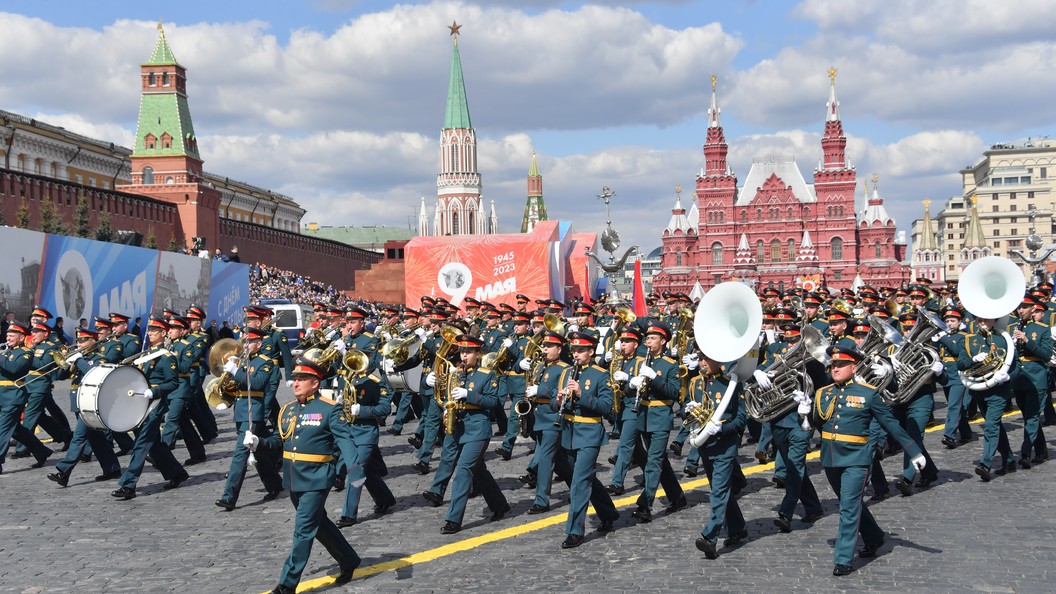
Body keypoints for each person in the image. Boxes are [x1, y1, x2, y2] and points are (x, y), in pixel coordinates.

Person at [808, 344, 925, 576]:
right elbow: (820, 425)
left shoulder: (867, 393)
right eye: (833, 364)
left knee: (848, 508)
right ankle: (875, 537)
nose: (836, 368)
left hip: (856, 459)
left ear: (854, 367)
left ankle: (843, 559)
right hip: (831, 458)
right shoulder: (824, 393)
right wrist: (806, 414)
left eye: (841, 365)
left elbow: (891, 425)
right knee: (852, 504)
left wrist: (915, 453)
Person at [247, 356, 360, 593]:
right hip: (293, 478)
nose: (295, 383)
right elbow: (280, 440)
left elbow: (345, 440)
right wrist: (259, 442)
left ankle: (287, 585)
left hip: (317, 478)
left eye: (302, 379)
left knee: (303, 530)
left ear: (315, 383)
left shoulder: (329, 409)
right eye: (295, 378)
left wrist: (355, 470)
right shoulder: (288, 410)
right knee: (318, 524)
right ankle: (349, 559)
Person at [111, 316, 189, 500]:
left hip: (155, 403)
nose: (151, 333)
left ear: (163, 333)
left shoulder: (166, 357)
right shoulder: (146, 355)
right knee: (154, 444)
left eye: (155, 330)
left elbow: (173, 382)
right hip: (141, 402)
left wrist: (155, 391)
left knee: (142, 443)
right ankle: (177, 473)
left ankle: (128, 484)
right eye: (150, 330)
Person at [553, 331, 617, 548]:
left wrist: (581, 394)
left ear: (591, 351)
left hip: (589, 432)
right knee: (584, 477)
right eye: (574, 350)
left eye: (581, 350)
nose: (576, 354)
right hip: (569, 432)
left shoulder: (601, 375)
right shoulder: (567, 373)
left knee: (579, 483)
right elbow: (555, 406)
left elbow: (606, 408)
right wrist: (558, 399)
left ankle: (574, 531)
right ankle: (608, 511)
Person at [215, 326, 282, 510]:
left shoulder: (266, 362)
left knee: (240, 453)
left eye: (249, 342)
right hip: (241, 411)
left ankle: (229, 496)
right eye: (243, 341)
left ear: (258, 343)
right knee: (257, 449)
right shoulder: (242, 361)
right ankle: (275, 484)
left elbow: (258, 383)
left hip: (254, 412)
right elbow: (234, 386)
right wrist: (225, 398)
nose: (244, 344)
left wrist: (236, 371)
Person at [47, 328, 122, 486]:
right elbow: (59, 377)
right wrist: (65, 363)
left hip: (90, 403)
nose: (80, 343)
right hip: (78, 402)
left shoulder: (99, 358)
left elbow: (94, 373)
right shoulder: (78, 358)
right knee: (96, 438)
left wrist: (79, 360)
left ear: (93, 341)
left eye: (83, 340)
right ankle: (112, 468)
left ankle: (64, 470)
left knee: (78, 437)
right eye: (79, 341)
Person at [0, 321, 55, 474]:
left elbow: (15, 368)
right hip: (2, 395)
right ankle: (41, 451)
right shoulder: (6, 352)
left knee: (3, 429)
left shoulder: (25, 352)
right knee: (16, 430)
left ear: (22, 337)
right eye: (7, 335)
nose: (8, 337)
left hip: (13, 396)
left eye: (12, 335)